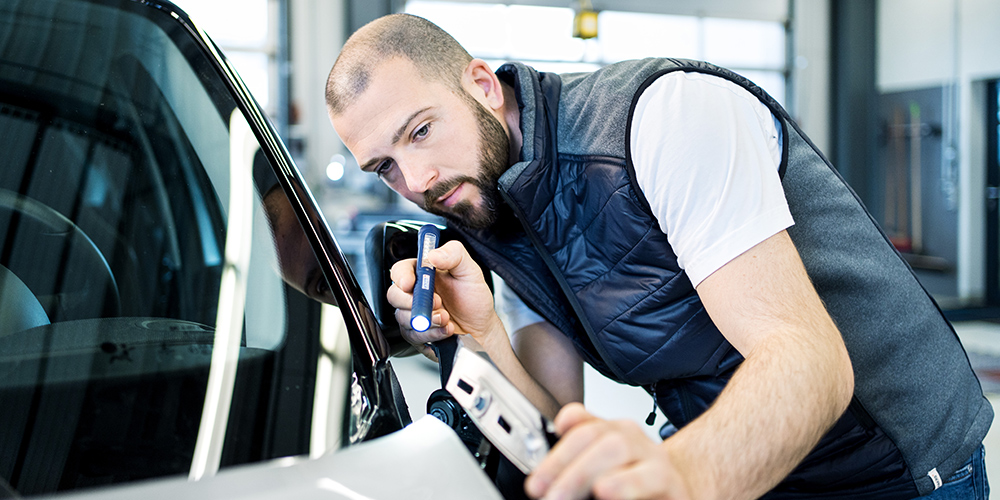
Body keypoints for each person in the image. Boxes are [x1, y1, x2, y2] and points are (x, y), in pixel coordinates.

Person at [324, 13, 992, 500]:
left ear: (481, 83)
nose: (416, 181)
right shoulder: (494, 206)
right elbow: (555, 418)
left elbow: (808, 358)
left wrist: (683, 472)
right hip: (740, 459)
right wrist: (484, 333)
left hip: (892, 465)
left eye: (420, 131)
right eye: (385, 166)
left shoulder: (662, 118)